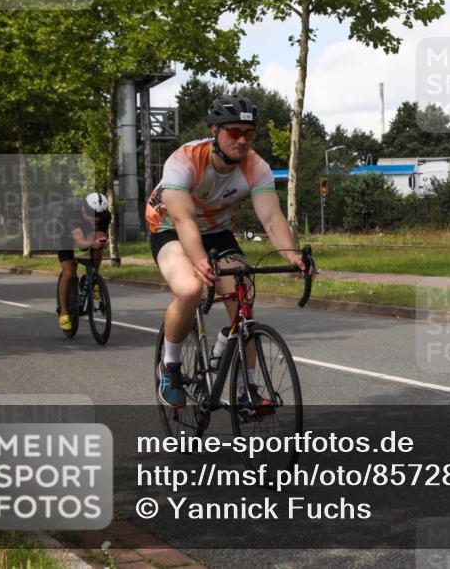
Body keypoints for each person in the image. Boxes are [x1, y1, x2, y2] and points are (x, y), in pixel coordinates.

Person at [146, 94, 315, 409]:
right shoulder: (184, 160)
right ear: (215, 130)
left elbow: (271, 216)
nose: (242, 140)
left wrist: (291, 255)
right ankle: (170, 368)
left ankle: (244, 389)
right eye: (234, 132)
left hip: (217, 231)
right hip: (170, 227)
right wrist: (199, 262)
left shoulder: (256, 167)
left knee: (243, 294)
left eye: (248, 134)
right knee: (190, 288)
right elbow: (183, 219)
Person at [56, 192, 111, 331]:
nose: (97, 219)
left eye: (100, 215)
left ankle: (92, 277)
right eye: (94, 215)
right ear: (85, 210)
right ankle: (63, 311)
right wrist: (92, 244)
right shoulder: (72, 215)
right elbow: (81, 244)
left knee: (98, 245)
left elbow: (101, 235)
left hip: (87, 231)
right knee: (69, 273)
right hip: (66, 236)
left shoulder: (105, 216)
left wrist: (102, 242)